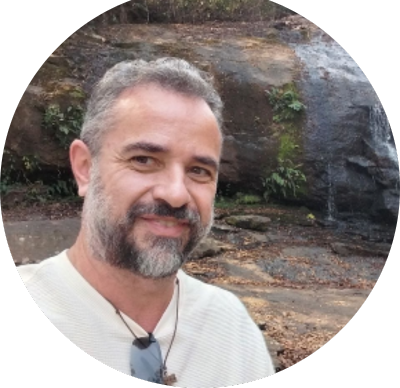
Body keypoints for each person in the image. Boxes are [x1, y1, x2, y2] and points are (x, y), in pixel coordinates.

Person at [17, 58, 275, 386]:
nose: (176, 195)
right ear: (84, 168)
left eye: (198, 170)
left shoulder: (231, 328)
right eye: (144, 160)